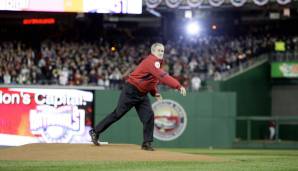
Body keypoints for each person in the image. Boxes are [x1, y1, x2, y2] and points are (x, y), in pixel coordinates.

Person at [89, 43, 186, 151]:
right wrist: (178, 86)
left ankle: (146, 143)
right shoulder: (151, 61)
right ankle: (95, 131)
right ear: (153, 52)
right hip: (131, 90)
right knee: (117, 114)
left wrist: (155, 93)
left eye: (162, 51)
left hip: (142, 94)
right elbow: (162, 76)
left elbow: (151, 80)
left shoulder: (157, 63)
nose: (161, 53)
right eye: (159, 50)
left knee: (149, 116)